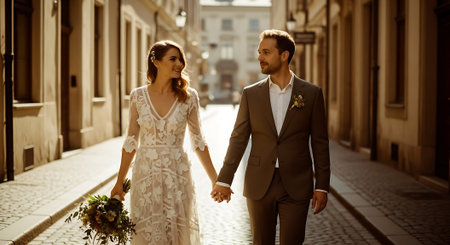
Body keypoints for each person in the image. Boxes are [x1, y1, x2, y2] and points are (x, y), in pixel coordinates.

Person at [211, 29, 331, 244]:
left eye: (266, 52)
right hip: (259, 184)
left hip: (297, 184)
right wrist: (224, 179)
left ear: (284, 56)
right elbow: (238, 139)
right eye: (259, 52)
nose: (260, 57)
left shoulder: (311, 94)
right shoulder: (251, 94)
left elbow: (320, 142)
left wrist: (322, 186)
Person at [111, 40, 218, 244]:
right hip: (145, 176)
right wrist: (119, 183)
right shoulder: (138, 96)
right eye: (173, 59)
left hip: (177, 176)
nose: (179, 64)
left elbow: (198, 142)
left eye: (180, 59)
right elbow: (131, 142)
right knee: (144, 232)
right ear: (156, 62)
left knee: (176, 234)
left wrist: (215, 179)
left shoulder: (189, 97)